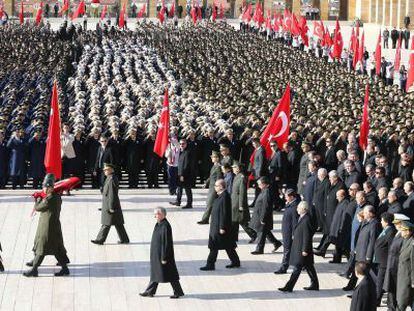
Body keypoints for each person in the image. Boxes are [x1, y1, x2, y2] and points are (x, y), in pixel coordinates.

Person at [23, 174, 70, 277]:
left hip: (47, 228)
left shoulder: (49, 199)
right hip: (51, 226)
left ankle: (34, 269)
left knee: (42, 248)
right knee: (56, 249)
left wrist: (37, 199)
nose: (44, 189)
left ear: (50, 188)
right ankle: (65, 269)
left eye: (46, 187)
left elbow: (38, 208)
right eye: (43, 187)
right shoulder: (56, 197)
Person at [140, 207, 184, 299]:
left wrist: (164, 257)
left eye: (156, 214)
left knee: (170, 274)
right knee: (157, 273)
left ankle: (178, 292)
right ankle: (150, 291)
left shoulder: (165, 226)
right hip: (157, 255)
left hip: (163, 256)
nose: (154, 216)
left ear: (161, 214)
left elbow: (166, 243)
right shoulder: (159, 224)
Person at [278, 201, 319, 292]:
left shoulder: (306, 220)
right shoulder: (302, 217)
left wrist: (304, 249)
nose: (297, 209)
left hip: (302, 249)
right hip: (300, 248)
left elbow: (307, 236)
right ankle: (315, 284)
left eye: (298, 208)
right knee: (309, 267)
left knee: (297, 268)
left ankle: (289, 287)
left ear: (303, 209)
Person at [200, 179, 240, 270]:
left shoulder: (225, 197)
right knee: (228, 245)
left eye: (216, 186)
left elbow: (224, 213)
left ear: (221, 186)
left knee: (214, 246)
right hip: (217, 225)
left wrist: (222, 227)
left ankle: (210, 265)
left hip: (220, 227)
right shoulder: (220, 196)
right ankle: (235, 262)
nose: (215, 187)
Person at [91, 163, 129, 245]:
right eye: (104, 170)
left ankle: (100, 239)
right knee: (118, 223)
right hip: (111, 204)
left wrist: (111, 206)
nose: (105, 171)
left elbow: (112, 194)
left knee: (106, 223)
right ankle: (124, 239)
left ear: (111, 170)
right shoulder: (109, 178)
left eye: (106, 170)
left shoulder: (111, 179)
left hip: (110, 205)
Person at [383, 213, 409, 310]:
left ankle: (393, 308)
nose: (395, 225)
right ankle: (391, 307)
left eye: (397, 223)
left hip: (396, 266)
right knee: (391, 289)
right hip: (392, 265)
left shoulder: (404, 236)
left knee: (394, 289)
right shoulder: (398, 233)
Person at [250, 176, 282, 255]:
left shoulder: (267, 192)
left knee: (261, 232)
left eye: (260, 184)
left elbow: (266, 206)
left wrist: (263, 218)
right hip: (259, 215)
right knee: (265, 231)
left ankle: (259, 249)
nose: (258, 185)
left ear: (264, 184)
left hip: (262, 216)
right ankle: (276, 243)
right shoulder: (264, 190)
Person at [373, 212, 396, 306]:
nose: (381, 222)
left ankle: (376, 300)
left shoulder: (390, 232)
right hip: (380, 260)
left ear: (386, 222)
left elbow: (391, 248)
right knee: (379, 281)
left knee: (380, 282)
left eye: (382, 220)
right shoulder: (386, 230)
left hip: (384, 262)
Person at [275, 188, 299, 273]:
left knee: (287, 250)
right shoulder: (290, 204)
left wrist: (293, 234)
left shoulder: (294, 206)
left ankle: (284, 267)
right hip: (286, 231)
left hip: (289, 233)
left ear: (292, 197)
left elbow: (295, 222)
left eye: (286, 196)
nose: (285, 198)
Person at [231, 161, 256, 242]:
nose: (233, 169)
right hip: (234, 202)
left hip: (238, 203)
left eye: (234, 167)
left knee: (243, 222)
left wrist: (241, 205)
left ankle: (253, 234)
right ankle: (234, 238)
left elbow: (242, 192)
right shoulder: (236, 176)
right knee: (235, 221)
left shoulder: (242, 177)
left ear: (238, 168)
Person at [198, 151, 222, 224]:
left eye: (213, 157)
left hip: (214, 188)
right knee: (210, 204)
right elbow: (211, 176)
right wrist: (206, 183)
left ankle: (205, 219)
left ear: (217, 158)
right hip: (211, 187)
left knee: (209, 204)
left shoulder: (218, 167)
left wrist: (217, 189)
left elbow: (218, 178)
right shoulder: (214, 165)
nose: (212, 158)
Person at [396, 221, 414, 310]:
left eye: (403, 230)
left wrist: (413, 281)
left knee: (402, 303)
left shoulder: (412, 244)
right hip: (401, 277)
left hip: (407, 280)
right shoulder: (405, 240)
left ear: (408, 231)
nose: (401, 232)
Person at [170, 139, 193, 209]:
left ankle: (189, 204)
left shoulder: (187, 153)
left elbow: (186, 165)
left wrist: (182, 175)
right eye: (180, 144)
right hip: (180, 173)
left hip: (185, 174)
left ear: (186, 144)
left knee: (187, 189)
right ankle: (178, 201)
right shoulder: (181, 152)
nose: (181, 145)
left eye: (183, 144)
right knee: (179, 188)